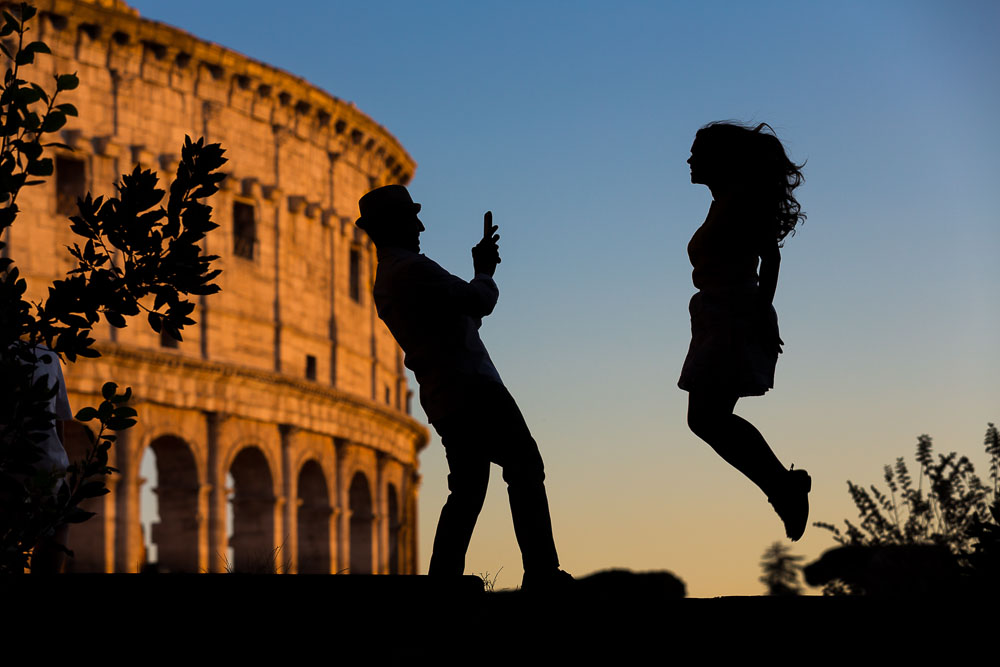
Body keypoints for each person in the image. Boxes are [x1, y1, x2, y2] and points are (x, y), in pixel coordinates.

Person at [356, 184, 571, 589]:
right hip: (474, 386)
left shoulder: (387, 281)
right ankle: (542, 573)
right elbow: (478, 301)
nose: (420, 226)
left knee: (468, 488)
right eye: (411, 218)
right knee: (525, 467)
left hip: (443, 395)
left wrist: (475, 288)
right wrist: (485, 270)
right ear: (394, 225)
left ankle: (444, 577)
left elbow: (458, 317)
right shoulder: (413, 269)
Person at [678, 121, 810, 540]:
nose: (690, 159)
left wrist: (759, 313)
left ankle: (783, 487)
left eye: (698, 152)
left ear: (720, 159)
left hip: (734, 315)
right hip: (717, 315)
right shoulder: (724, 201)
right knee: (707, 419)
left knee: (706, 418)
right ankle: (782, 487)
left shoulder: (738, 200)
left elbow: (769, 258)